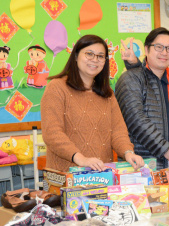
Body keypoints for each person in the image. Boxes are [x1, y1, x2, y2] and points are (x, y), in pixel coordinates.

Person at [41, 35, 144, 172]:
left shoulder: (107, 94)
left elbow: (118, 131)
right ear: (76, 56)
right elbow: (52, 133)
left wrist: (128, 152)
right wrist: (81, 159)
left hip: (102, 175)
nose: (95, 60)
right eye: (89, 54)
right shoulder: (57, 87)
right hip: (66, 176)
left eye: (100, 56)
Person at [115, 27, 169, 169]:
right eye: (159, 47)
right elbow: (136, 120)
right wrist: (165, 149)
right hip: (142, 166)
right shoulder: (130, 78)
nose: (164, 52)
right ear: (147, 50)